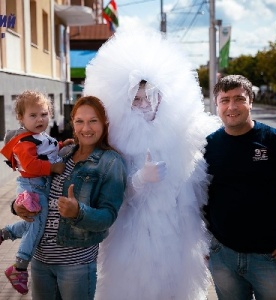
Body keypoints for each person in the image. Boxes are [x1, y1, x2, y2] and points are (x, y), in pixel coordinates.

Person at [84, 27, 220, 299]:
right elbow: (114, 195)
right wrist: (140, 179)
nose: (145, 103)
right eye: (136, 99)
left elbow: (198, 183)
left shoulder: (185, 130)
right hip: (134, 233)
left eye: (150, 97)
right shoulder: (117, 139)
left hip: (177, 231)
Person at [11, 95, 127, 300]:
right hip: (40, 261)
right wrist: (17, 206)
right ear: (72, 123)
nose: (86, 128)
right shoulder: (61, 153)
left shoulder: (111, 162)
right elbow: (34, 186)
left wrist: (78, 213)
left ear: (104, 123)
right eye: (80, 121)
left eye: (93, 121)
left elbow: (108, 216)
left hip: (75, 266)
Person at [204, 75, 276, 300]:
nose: (232, 106)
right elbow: (200, 198)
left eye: (239, 99)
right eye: (224, 100)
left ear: (251, 102)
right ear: (216, 104)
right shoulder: (208, 146)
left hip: (269, 258)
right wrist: (206, 245)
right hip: (223, 257)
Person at [0, 90, 73, 295]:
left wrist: (61, 145)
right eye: (33, 115)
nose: (40, 119)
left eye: (44, 114)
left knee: (35, 223)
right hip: (32, 187)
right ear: (21, 118)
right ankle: (19, 267)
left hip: (40, 186)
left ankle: (5, 233)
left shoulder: (41, 137)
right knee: (37, 225)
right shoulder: (24, 142)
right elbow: (31, 165)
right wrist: (52, 168)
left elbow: (48, 149)